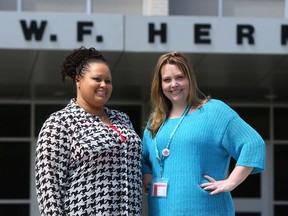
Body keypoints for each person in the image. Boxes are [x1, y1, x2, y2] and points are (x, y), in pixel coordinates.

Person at [142, 51, 266, 215]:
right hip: (162, 210)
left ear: (190, 80)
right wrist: (147, 174)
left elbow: (253, 144)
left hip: (207, 209)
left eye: (180, 77)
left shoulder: (213, 111)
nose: (174, 84)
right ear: (159, 84)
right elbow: (144, 158)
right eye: (167, 80)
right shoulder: (155, 121)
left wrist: (230, 182)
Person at [35, 46, 142, 215]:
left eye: (108, 81)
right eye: (97, 79)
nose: (103, 85)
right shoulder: (60, 123)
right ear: (78, 79)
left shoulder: (122, 119)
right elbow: (49, 190)